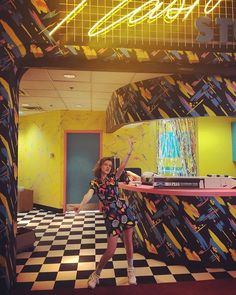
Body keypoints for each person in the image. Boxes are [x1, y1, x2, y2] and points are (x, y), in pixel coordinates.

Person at [74, 139, 137, 289]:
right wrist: (81, 206)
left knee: (129, 242)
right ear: (100, 166)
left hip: (124, 210)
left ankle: (131, 271)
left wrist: (129, 151)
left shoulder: (114, 177)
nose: (108, 167)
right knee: (111, 249)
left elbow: (123, 166)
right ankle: (96, 274)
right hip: (111, 215)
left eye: (110, 165)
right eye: (106, 165)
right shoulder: (95, 183)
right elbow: (88, 195)